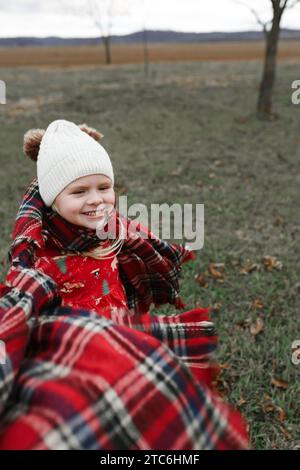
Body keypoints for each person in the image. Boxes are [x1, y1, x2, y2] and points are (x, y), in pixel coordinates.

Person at [0, 119, 248, 450]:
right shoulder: (40, 252)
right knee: (84, 416)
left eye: (104, 187)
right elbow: (25, 304)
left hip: (118, 326)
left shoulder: (114, 229)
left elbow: (142, 248)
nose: (96, 201)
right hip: (74, 348)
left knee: (129, 403)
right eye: (78, 192)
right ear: (51, 200)